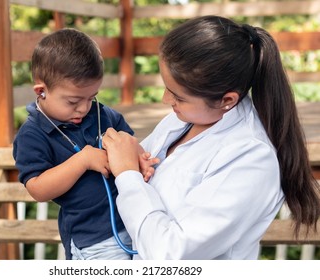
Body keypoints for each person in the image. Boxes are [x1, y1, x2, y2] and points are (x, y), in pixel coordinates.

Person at [102, 15, 320, 260]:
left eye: (178, 96)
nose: (165, 100)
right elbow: (137, 161)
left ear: (227, 100)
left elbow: (171, 254)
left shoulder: (251, 158)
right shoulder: (187, 118)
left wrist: (127, 176)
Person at [12, 28, 154, 260]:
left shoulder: (100, 114)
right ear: (42, 91)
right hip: (94, 240)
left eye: (92, 97)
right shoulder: (33, 135)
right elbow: (37, 188)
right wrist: (83, 160)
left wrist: (140, 159)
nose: (84, 108)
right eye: (73, 101)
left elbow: (127, 140)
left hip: (134, 223)